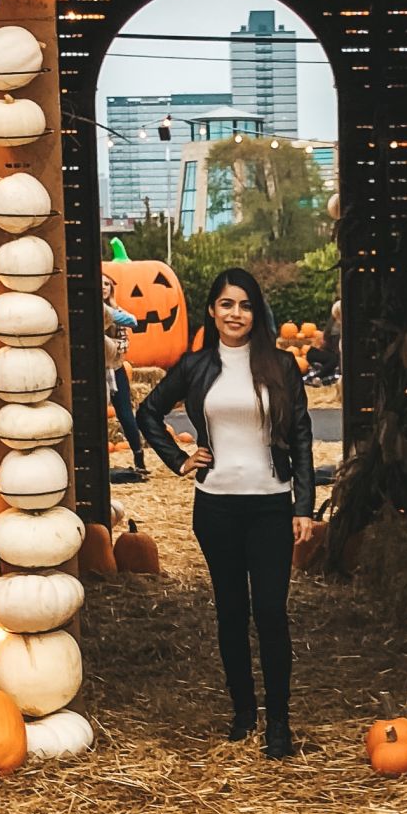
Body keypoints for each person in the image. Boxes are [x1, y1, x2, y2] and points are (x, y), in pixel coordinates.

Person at [137, 266, 316, 757]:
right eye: (226, 304)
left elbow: (301, 435)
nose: (235, 313)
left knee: (272, 613)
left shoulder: (280, 366)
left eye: (245, 305)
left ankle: (279, 723)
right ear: (213, 311)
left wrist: (304, 505)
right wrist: (178, 458)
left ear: (255, 312)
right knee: (232, 613)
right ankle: (243, 713)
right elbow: (147, 412)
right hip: (216, 506)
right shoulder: (195, 366)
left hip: (271, 506)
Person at [103, 273, 147, 477]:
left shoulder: (116, 313)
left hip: (115, 367)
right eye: (100, 283)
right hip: (94, 371)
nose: (103, 287)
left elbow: (131, 325)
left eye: (107, 284)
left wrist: (108, 347)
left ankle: (139, 457)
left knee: (125, 414)